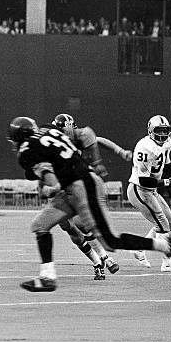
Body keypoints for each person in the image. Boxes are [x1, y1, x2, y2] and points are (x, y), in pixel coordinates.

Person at [8, 117, 171, 292]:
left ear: (18, 137)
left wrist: (49, 189)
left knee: (110, 241)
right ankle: (47, 277)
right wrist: (97, 163)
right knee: (40, 225)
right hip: (74, 186)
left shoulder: (27, 149)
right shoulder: (48, 130)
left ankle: (165, 246)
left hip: (83, 187)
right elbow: (88, 134)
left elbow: (51, 181)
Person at [49, 113, 134, 277]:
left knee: (81, 224)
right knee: (69, 229)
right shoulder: (52, 142)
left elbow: (99, 140)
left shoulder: (78, 137)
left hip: (75, 186)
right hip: (58, 187)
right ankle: (97, 262)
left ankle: (105, 258)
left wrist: (120, 151)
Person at [126, 115, 171, 272]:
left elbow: (169, 166)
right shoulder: (144, 147)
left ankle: (139, 248)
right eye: (159, 131)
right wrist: (167, 182)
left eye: (166, 131)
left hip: (151, 190)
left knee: (170, 223)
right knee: (162, 225)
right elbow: (144, 180)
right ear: (151, 131)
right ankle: (167, 263)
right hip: (139, 190)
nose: (163, 135)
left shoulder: (167, 144)